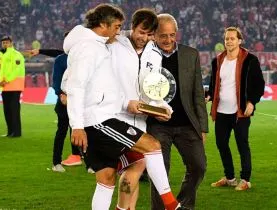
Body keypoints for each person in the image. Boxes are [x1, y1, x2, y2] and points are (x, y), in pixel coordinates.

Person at [63, 4, 187, 210]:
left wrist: (160, 106)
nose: (119, 31)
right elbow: (74, 82)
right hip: (103, 119)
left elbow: (138, 86)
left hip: (116, 116)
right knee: (152, 146)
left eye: (150, 34)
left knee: (107, 179)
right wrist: (76, 123)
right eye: (118, 26)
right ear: (104, 24)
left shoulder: (104, 45)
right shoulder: (96, 46)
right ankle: (171, 205)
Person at [147, 14, 208, 210]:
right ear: (154, 35)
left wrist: (202, 127)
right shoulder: (146, 56)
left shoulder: (191, 54)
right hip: (157, 126)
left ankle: (182, 205)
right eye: (163, 35)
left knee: (199, 166)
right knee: (159, 173)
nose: (168, 40)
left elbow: (198, 93)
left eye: (172, 35)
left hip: (187, 124)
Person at [110, 8, 165, 210]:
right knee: (136, 164)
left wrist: (161, 107)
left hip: (140, 120)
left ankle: (128, 208)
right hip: (116, 117)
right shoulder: (114, 45)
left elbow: (153, 87)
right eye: (141, 32)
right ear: (132, 28)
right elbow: (106, 82)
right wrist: (125, 102)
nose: (145, 38)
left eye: (150, 34)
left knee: (136, 165)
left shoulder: (155, 53)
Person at [208, 27, 265, 191]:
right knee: (221, 144)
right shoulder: (217, 60)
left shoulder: (250, 60)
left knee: (242, 144)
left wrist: (251, 102)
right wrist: (209, 96)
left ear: (239, 41)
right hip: (221, 111)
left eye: (232, 38)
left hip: (240, 112)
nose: (229, 41)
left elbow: (259, 85)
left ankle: (245, 179)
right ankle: (230, 177)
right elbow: (214, 86)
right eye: (226, 39)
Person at [26, 46, 90, 171]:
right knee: (62, 131)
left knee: (81, 131)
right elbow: (56, 79)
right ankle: (56, 163)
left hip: (78, 102)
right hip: (64, 102)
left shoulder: (79, 57)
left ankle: (86, 162)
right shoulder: (62, 59)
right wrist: (60, 94)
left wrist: (40, 51)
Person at [0, 35, 25, 138]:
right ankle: (10, 131)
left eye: (6, 42)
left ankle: (16, 132)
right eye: (3, 42)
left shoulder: (17, 54)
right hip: (5, 86)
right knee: (7, 110)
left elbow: (17, 70)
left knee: (14, 109)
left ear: (11, 43)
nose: (5, 44)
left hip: (14, 85)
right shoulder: (2, 55)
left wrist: (6, 80)